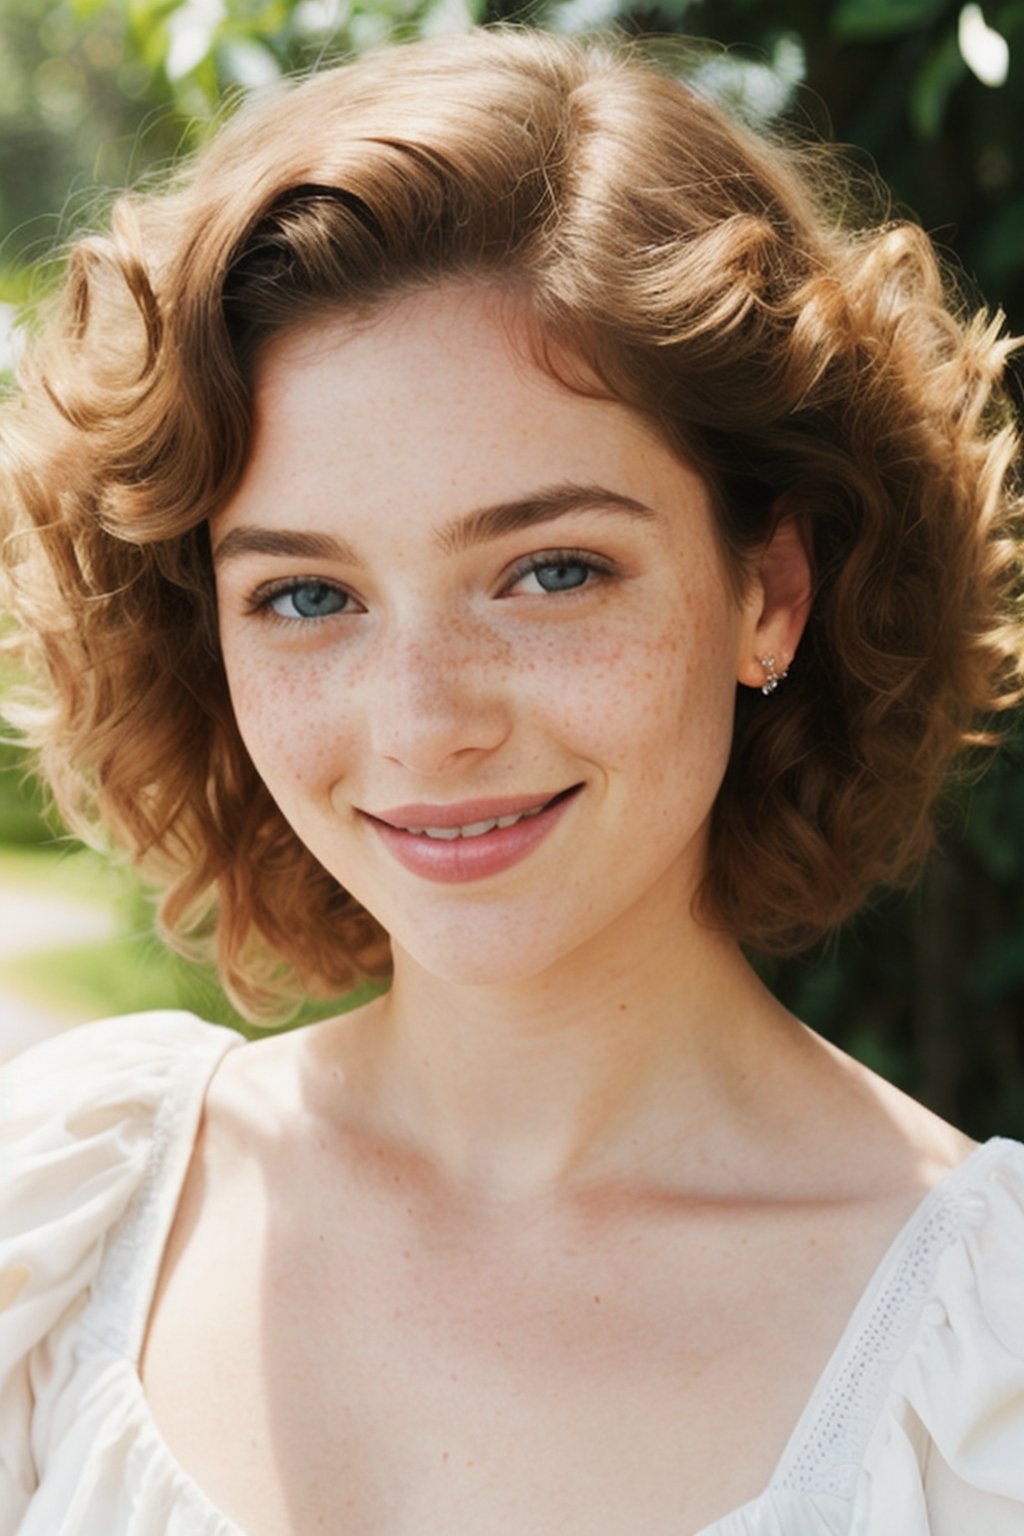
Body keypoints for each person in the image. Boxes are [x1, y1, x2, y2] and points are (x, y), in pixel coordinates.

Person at [1, 25, 1023, 1536]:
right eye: (305, 596)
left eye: (550, 571)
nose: (423, 725)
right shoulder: (71, 1225)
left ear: (769, 592)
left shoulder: (977, 1373)